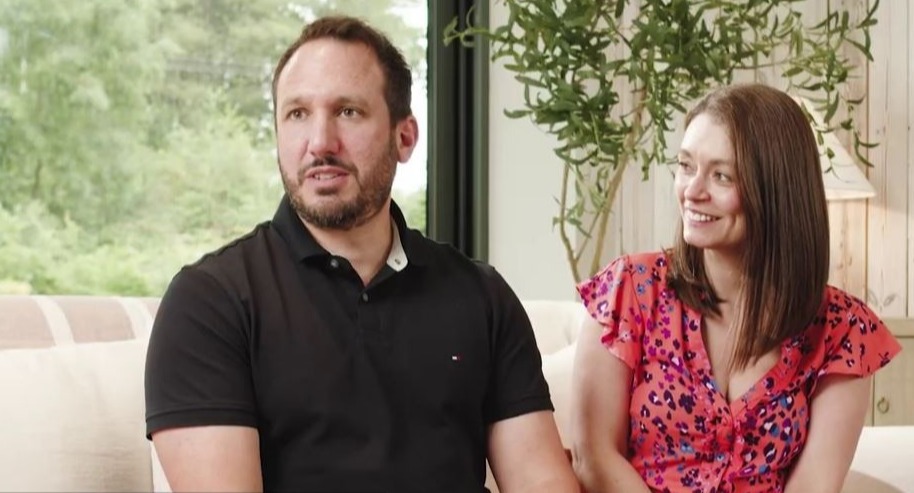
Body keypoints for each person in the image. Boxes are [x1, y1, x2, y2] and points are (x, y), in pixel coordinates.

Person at [144, 15, 579, 493]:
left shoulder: (482, 296)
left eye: (347, 111)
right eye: (297, 114)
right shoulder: (211, 302)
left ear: (405, 137)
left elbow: (541, 480)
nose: (319, 143)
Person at [570, 83, 901, 493]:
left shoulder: (842, 331)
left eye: (721, 175)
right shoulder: (630, 291)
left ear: (777, 192)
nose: (692, 191)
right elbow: (594, 457)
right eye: (686, 166)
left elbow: (815, 485)